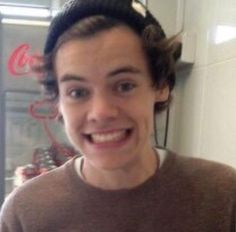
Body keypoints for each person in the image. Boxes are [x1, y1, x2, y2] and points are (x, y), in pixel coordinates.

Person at [0, 0, 236, 231]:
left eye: (124, 86)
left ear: (161, 85)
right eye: (78, 92)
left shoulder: (223, 197)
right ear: (58, 102)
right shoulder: (24, 214)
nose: (101, 112)